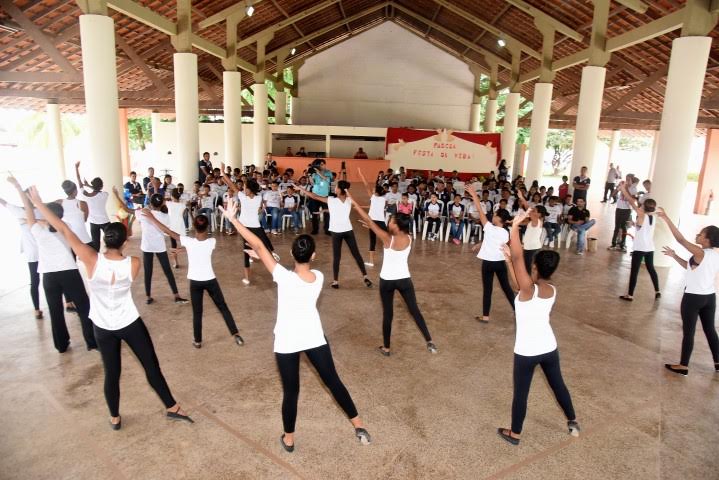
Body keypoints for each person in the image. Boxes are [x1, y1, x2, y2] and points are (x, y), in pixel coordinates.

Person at [27, 187, 193, 429]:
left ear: (104, 239)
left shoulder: (90, 259)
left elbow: (63, 228)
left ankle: (115, 417)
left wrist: (38, 203)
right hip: (129, 323)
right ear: (126, 242)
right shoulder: (134, 263)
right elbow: (67, 230)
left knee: (111, 373)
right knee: (151, 366)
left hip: (103, 327)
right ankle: (172, 407)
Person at [220, 200, 371, 451]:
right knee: (334, 382)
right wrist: (269, 259)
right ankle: (359, 424)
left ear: (292, 254)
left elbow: (257, 243)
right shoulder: (319, 278)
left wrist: (233, 219)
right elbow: (281, 263)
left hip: (287, 342)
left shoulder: (283, 276)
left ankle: (289, 439)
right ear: (313, 255)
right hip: (313, 338)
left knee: (291, 393)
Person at [497, 210, 580, 446]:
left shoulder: (528, 290)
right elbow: (517, 283)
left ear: (535, 267)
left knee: (521, 394)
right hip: (549, 347)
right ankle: (572, 420)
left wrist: (514, 229)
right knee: (558, 385)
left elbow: (518, 257)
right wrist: (507, 259)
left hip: (526, 351)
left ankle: (515, 434)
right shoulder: (550, 290)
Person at [8, 177, 96, 353]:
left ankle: (61, 344)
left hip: (49, 275)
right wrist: (36, 202)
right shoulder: (66, 227)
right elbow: (50, 222)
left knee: (55, 311)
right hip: (68, 271)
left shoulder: (38, 229)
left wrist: (21, 191)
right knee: (83, 305)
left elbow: (29, 213)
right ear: (61, 216)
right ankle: (92, 341)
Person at [348, 191, 437, 355]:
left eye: (391, 221)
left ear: (397, 226)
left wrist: (353, 201)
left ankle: (387, 348)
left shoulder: (387, 239)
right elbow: (383, 230)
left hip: (387, 281)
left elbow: (369, 219)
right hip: (404, 280)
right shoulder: (409, 238)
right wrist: (375, 228)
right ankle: (429, 341)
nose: (389, 222)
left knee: (388, 314)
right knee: (415, 310)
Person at [141, 211, 244, 349]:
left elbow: (168, 231)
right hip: (210, 280)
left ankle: (198, 341)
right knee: (223, 307)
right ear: (207, 228)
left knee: (197, 312)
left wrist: (152, 218)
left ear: (194, 227)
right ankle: (236, 334)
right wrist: (183, 250)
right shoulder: (212, 242)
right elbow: (199, 247)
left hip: (195, 283)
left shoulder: (188, 242)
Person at [658, 211, 719, 376]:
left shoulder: (702, 253)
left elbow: (681, 240)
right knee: (710, 330)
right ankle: (718, 363)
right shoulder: (715, 254)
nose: (697, 235)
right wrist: (674, 256)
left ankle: (683, 365)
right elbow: (691, 268)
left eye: (701, 234)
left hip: (693, 298)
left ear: (707, 240)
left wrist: (666, 218)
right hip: (709, 297)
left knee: (689, 332)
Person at [300, 181, 372, 289]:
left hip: (336, 232)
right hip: (348, 231)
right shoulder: (348, 200)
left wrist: (301, 189)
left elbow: (314, 196)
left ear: (339, 189)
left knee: (337, 257)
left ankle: (335, 282)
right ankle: (365, 276)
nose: (335, 188)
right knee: (356, 254)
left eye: (336, 187)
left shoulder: (331, 200)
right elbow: (339, 209)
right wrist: (325, 210)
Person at [465, 185, 514, 323]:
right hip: (500, 263)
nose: (493, 216)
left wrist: (474, 195)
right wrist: (479, 245)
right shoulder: (505, 232)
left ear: (499, 219)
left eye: (495, 215)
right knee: (507, 288)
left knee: (488, 290)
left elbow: (480, 210)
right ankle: (518, 311)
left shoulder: (489, 227)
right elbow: (494, 241)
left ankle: (486, 316)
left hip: (488, 263)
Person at [223, 174, 280, 285]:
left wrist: (223, 173)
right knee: (262, 246)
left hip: (248, 228)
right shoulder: (257, 198)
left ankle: (250, 275)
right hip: (252, 227)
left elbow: (231, 184)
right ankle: (248, 276)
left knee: (258, 246)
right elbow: (231, 184)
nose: (243, 189)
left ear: (250, 189)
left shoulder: (244, 197)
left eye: (245, 187)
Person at [133, 193, 188, 305]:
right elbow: (164, 228)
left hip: (147, 246)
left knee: (148, 272)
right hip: (159, 246)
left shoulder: (143, 212)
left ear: (150, 202)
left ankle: (148, 296)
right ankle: (176, 295)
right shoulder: (165, 217)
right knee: (168, 271)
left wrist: (145, 208)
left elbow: (132, 211)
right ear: (162, 203)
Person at [0, 194, 43, 319]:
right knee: (36, 281)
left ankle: (66, 302)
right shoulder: (24, 211)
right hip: (34, 254)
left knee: (43, 280)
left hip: (42, 253)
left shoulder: (38, 210)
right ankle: (37, 309)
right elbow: (4, 202)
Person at [618, 183, 660, 301]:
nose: (640, 206)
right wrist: (634, 224)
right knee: (651, 269)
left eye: (642, 205)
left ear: (644, 208)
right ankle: (657, 291)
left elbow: (631, 201)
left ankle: (630, 295)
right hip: (650, 248)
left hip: (640, 249)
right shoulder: (653, 216)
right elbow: (643, 227)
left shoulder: (642, 215)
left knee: (634, 272)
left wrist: (623, 189)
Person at [75, 161, 110, 252]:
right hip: (105, 221)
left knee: (96, 245)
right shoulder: (105, 195)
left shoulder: (85, 196)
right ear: (101, 186)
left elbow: (79, 182)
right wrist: (89, 185)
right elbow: (98, 190)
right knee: (111, 241)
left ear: (93, 186)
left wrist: (76, 168)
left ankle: (96, 261)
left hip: (93, 223)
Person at [609, 175, 636, 252]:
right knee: (616, 227)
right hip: (619, 209)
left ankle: (622, 245)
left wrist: (625, 188)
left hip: (627, 210)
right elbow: (613, 195)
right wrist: (617, 187)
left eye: (629, 179)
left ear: (632, 181)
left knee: (624, 227)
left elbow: (632, 200)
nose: (627, 181)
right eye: (626, 179)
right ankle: (613, 244)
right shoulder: (622, 185)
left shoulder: (633, 189)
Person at [308, 159, 333, 235]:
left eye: (323, 164)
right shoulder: (314, 173)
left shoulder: (328, 172)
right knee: (314, 213)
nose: (322, 166)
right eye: (320, 164)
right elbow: (312, 183)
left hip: (325, 196)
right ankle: (315, 229)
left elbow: (327, 180)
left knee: (327, 214)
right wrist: (309, 175)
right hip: (315, 196)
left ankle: (327, 230)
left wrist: (318, 173)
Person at [365, 184, 387, 268]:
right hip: (381, 221)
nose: (372, 190)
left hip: (372, 221)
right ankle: (389, 259)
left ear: (376, 192)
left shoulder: (373, 197)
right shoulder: (383, 199)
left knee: (372, 241)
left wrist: (361, 175)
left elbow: (366, 185)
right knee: (386, 240)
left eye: (374, 190)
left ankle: (371, 261)